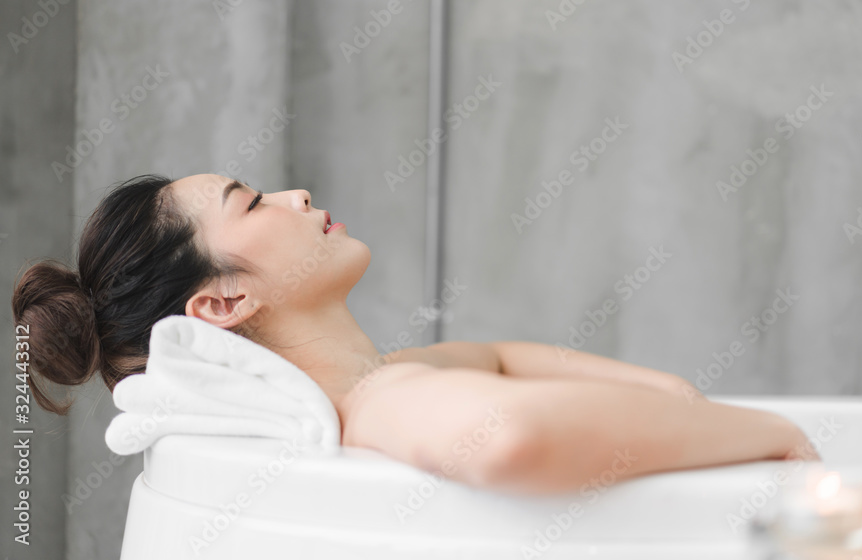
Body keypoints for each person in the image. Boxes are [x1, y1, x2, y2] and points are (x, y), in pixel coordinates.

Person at [12, 173, 819, 496]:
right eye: (252, 202)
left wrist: (667, 394)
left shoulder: (392, 378)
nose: (294, 193)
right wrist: (769, 433)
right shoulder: (386, 404)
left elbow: (498, 360)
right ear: (222, 304)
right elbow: (507, 438)